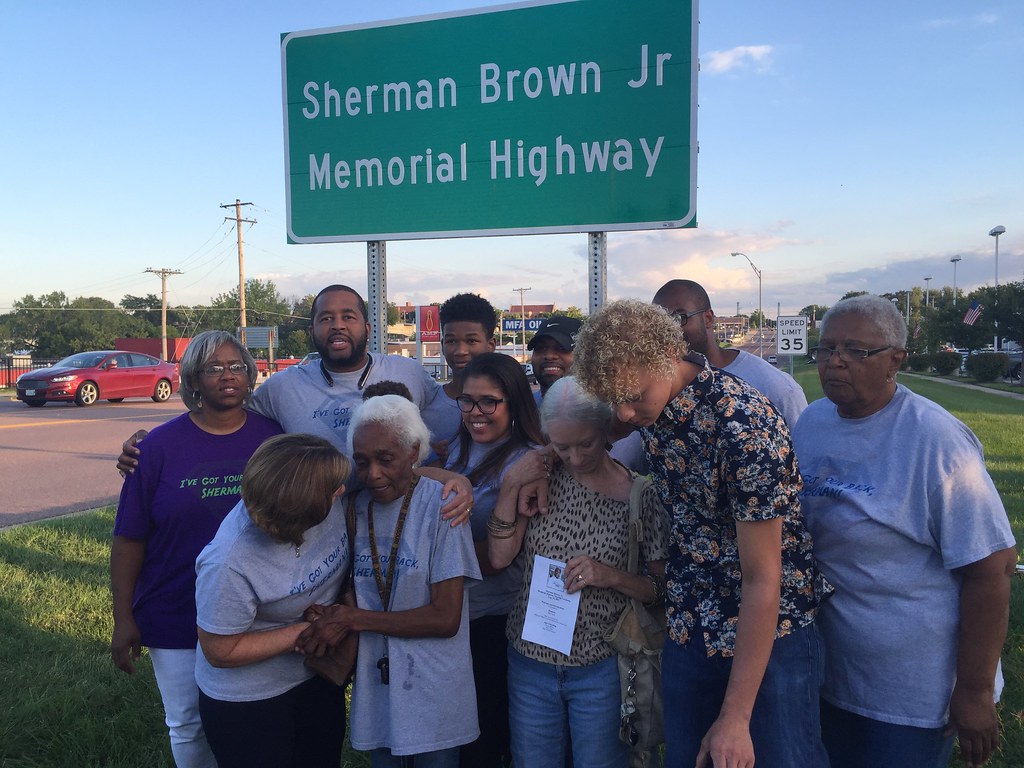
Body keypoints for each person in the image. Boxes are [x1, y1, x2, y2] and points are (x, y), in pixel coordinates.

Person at [572, 299, 829, 768]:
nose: (625, 414)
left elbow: (763, 580)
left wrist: (735, 717)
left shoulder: (742, 424)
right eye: (614, 400)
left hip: (768, 636)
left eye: (633, 396)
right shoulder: (651, 402)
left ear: (670, 353)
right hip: (691, 622)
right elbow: (592, 433)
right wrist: (537, 463)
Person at [791, 294, 1016, 768]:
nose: (835, 362)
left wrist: (974, 691)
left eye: (856, 350)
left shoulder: (935, 441)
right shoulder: (812, 423)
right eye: (826, 348)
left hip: (912, 697)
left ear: (896, 360)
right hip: (830, 674)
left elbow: (991, 571)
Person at [117, 284, 474, 521]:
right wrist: (152, 445)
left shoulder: (408, 372)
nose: (337, 326)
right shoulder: (282, 388)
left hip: (398, 518)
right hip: (317, 527)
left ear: (366, 325)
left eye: (348, 317)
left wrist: (449, 461)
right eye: (325, 318)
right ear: (311, 331)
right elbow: (219, 417)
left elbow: (454, 411)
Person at [110, 330, 282, 768]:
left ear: (250, 374)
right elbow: (129, 537)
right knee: (187, 722)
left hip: (259, 610)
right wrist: (124, 618)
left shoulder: (275, 439)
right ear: (192, 379)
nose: (228, 375)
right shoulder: (157, 448)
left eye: (237, 366)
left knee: (251, 720)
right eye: (214, 367)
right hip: (174, 608)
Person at [489, 376, 670, 768]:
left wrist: (610, 575)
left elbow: (659, 590)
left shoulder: (640, 497)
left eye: (584, 444)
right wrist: (511, 485)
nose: (573, 457)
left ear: (606, 429)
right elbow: (500, 556)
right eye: (561, 445)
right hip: (530, 661)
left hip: (602, 666)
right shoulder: (542, 481)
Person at [296, 395, 481, 767]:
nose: (373, 474)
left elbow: (446, 618)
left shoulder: (444, 506)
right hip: (377, 685)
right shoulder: (354, 506)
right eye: (361, 461)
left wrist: (353, 619)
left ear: (414, 451)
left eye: (386, 459)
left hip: (435, 688)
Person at [194, 433, 352, 768]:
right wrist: (311, 630)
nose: (343, 491)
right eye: (334, 491)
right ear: (301, 511)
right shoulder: (229, 563)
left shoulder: (333, 492)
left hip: (316, 677)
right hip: (249, 700)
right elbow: (219, 650)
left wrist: (454, 481)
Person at [445, 352, 545, 767]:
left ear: (515, 404)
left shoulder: (528, 461)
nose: (475, 412)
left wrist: (440, 564)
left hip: (493, 618)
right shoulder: (457, 448)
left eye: (489, 401)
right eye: (467, 401)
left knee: (486, 741)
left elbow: (497, 559)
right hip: (452, 616)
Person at [652, 279, 807, 426]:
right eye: (658, 323)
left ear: (708, 319)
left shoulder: (776, 388)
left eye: (679, 318)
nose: (668, 331)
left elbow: (802, 450)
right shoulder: (653, 388)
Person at [430, 292, 499, 463]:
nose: (460, 351)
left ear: (490, 345)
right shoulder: (426, 404)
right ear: (442, 344)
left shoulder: (510, 403)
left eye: (471, 341)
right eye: (451, 341)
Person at [529, 314, 583, 402]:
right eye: (541, 348)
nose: (549, 356)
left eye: (562, 348)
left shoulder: (604, 411)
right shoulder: (520, 409)